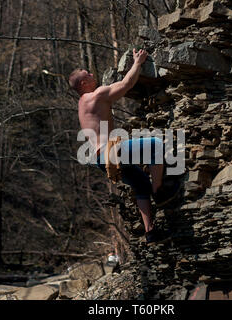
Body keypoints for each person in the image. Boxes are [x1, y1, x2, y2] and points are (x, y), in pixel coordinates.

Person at [68, 49, 180, 245]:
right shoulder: (97, 95)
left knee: (140, 185)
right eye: (89, 74)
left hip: (100, 160)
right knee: (156, 145)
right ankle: (159, 191)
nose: (93, 75)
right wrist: (138, 62)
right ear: (83, 83)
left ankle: (150, 231)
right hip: (111, 152)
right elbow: (127, 84)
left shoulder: (81, 105)